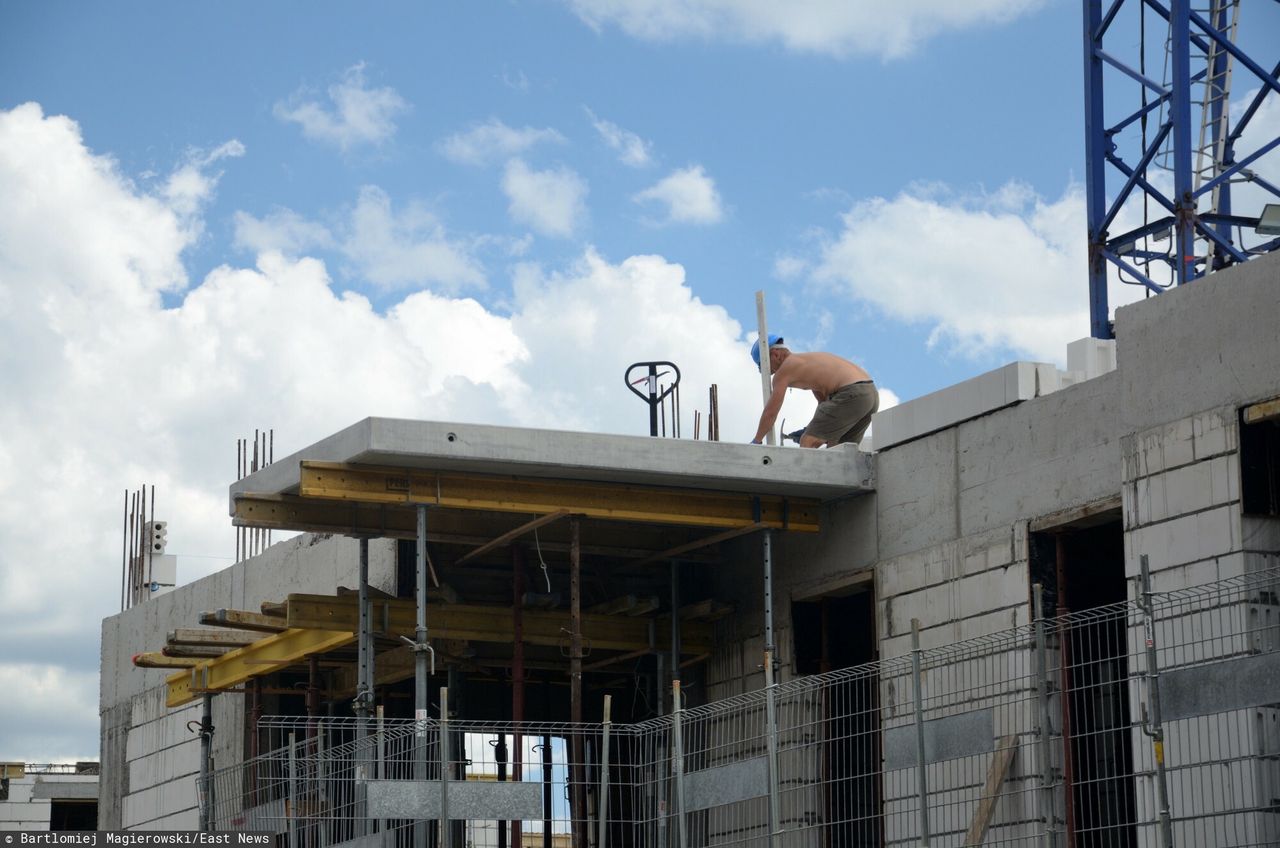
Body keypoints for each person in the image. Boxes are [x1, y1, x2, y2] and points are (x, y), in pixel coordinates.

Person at [750, 335, 879, 448]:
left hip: (852, 393)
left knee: (808, 442)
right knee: (840, 449)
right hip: (869, 395)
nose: (771, 372)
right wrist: (810, 429)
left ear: (775, 354)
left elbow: (771, 412)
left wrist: (757, 441)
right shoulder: (807, 363)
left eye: (766, 366)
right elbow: (824, 403)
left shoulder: (785, 370)